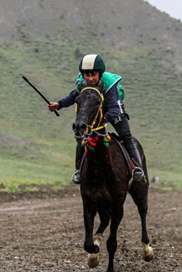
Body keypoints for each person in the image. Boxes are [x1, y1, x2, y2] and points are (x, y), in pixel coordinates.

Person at [47, 54, 146, 185]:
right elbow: (74, 96)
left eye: (93, 75)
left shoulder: (110, 85)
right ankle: (78, 170)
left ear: (100, 73)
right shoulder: (82, 83)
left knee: (126, 135)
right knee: (81, 137)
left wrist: (103, 121)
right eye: (87, 75)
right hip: (94, 108)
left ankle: (137, 168)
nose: (90, 78)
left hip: (112, 110)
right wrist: (59, 104)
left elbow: (114, 109)